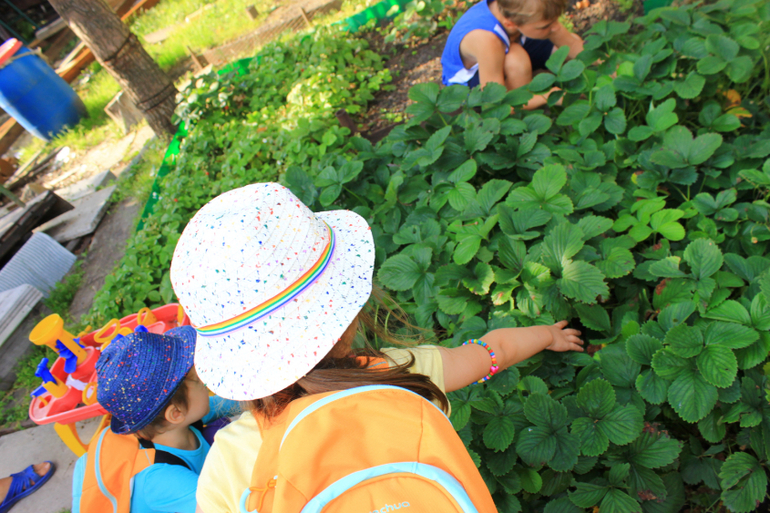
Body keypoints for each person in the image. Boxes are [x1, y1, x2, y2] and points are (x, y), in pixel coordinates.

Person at [168, 183, 584, 513]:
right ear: (345, 316)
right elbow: (492, 353)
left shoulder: (228, 462)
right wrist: (548, 335)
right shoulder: (402, 373)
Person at [79, 327, 241, 513]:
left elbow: (227, 403)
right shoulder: (161, 480)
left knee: (219, 431)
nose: (204, 380)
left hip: (188, 482)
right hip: (191, 499)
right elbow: (224, 508)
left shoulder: (169, 423)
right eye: (197, 380)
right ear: (176, 413)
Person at [441, 0, 584, 109]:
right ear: (510, 24)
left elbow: (573, 46)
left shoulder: (518, 10)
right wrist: (546, 96)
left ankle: (532, 81)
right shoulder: (487, 41)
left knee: (565, 47)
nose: (556, 27)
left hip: (509, 45)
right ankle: (525, 103)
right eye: (545, 26)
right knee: (516, 60)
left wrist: (595, 60)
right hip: (472, 85)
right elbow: (493, 103)